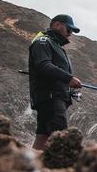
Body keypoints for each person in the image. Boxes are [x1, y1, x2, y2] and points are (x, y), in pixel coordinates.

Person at [28, 14, 83, 150]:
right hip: (51, 98)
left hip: (52, 99)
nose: (70, 34)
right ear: (58, 25)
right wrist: (68, 78)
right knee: (61, 139)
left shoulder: (55, 45)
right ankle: (62, 168)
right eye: (69, 30)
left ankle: (27, 167)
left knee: (43, 138)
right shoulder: (43, 41)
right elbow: (44, 65)